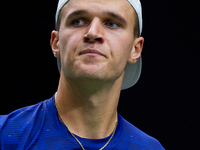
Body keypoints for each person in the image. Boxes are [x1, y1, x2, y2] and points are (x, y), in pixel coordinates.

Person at [0, 0, 165, 149]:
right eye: (78, 21)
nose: (93, 33)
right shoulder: (5, 135)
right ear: (55, 42)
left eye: (112, 24)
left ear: (135, 49)